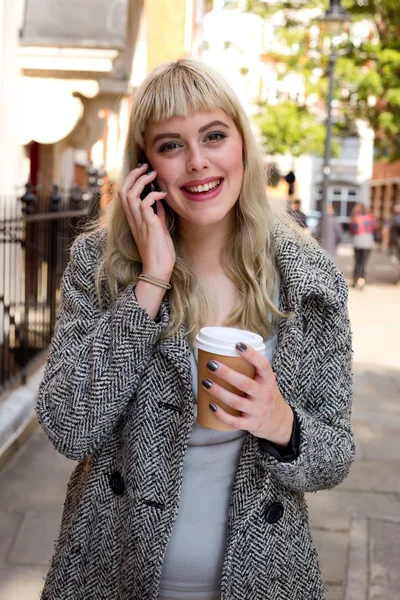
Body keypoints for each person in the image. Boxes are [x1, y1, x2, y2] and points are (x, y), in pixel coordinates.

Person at [36, 59, 354, 600]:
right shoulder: (102, 266)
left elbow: (335, 455)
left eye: (213, 135)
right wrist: (151, 282)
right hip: (110, 576)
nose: (198, 162)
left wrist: (281, 423)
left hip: (265, 582)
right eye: (171, 145)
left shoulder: (309, 281)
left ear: (243, 147)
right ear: (146, 167)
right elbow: (69, 426)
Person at [349, 203, 375, 289]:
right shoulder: (369, 218)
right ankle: (361, 280)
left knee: (357, 262)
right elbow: (372, 229)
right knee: (363, 262)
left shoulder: (354, 219)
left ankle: (355, 279)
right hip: (367, 242)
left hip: (357, 241)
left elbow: (352, 231)